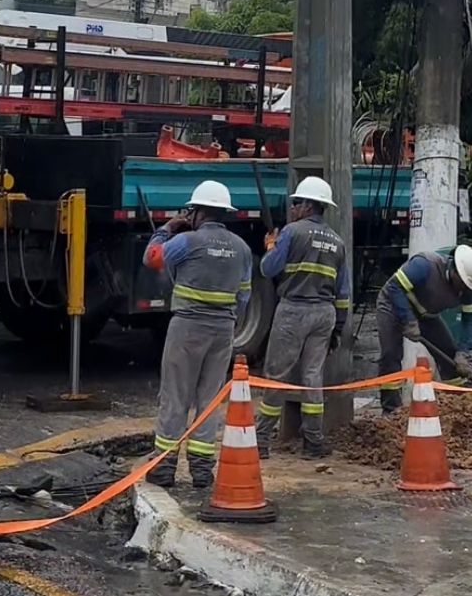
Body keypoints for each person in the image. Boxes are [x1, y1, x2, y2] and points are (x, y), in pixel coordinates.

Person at [142, 179, 252, 488]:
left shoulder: (186, 241)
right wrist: (230, 324)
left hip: (188, 327)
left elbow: (151, 258)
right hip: (222, 330)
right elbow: (244, 296)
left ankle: (164, 468)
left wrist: (167, 228)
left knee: (176, 396)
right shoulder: (242, 248)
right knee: (209, 399)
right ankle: (202, 470)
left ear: (197, 212)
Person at [254, 177, 350, 459]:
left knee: (276, 377)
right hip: (325, 315)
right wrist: (338, 327)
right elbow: (343, 291)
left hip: (294, 310)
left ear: (309, 206)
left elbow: (268, 269)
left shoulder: (291, 232)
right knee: (312, 378)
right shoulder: (338, 242)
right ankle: (314, 442)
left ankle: (260, 441)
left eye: (297, 203)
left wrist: (271, 246)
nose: (293, 207)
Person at [376, 244, 472, 412]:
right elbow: (396, 287)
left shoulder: (468, 288)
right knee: (390, 356)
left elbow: (471, 319)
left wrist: (464, 352)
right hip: (392, 307)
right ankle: (391, 410)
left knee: (450, 358)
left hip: (426, 314)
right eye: (464, 284)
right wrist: (408, 320)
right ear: (455, 271)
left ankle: (458, 408)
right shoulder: (425, 265)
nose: (466, 289)